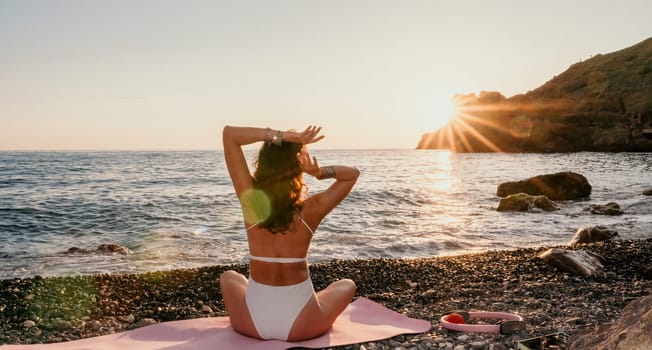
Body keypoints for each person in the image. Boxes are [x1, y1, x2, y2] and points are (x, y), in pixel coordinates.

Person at [219, 125, 360, 341]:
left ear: (264, 162)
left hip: (251, 324)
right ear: (298, 165)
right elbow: (351, 175)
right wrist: (320, 173)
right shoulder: (312, 209)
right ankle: (313, 299)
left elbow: (230, 135)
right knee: (347, 285)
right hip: (302, 326)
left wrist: (281, 137)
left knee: (229, 277)